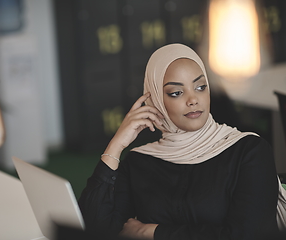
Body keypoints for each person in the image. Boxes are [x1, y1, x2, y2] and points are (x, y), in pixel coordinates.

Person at [78, 43, 282, 240]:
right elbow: (97, 230)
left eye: (201, 87)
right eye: (176, 93)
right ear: (156, 99)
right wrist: (116, 145)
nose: (193, 99)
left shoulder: (248, 151)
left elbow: (248, 235)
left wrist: (152, 232)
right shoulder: (139, 162)